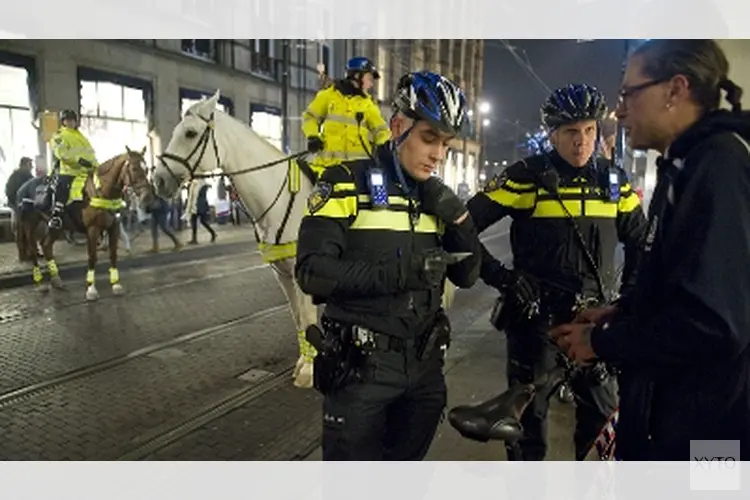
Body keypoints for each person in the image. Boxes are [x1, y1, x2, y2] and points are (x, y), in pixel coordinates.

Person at [551, 39, 750, 461]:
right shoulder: (683, 165)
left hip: (707, 439)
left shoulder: (719, 168)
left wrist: (603, 340)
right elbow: (683, 286)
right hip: (671, 419)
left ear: (675, 90)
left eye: (629, 94)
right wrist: (623, 312)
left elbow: (714, 324)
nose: (619, 111)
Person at [295, 70, 482, 461]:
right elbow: (311, 272)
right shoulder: (344, 182)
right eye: (429, 138)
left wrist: (460, 220)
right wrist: (401, 272)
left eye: (446, 143)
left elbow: (467, 275)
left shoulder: (434, 197)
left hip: (425, 370)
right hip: (362, 373)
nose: (438, 155)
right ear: (398, 127)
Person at [465, 83, 648, 461]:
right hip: (536, 325)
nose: (582, 142)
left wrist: (626, 303)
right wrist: (503, 277)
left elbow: (642, 244)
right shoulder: (526, 176)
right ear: (552, 134)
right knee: (525, 429)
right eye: (570, 132)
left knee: (601, 429)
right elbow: (461, 227)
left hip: (594, 326)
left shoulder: (614, 182)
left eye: (589, 130)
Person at [301, 56, 392, 179]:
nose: (371, 84)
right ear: (356, 76)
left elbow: (381, 130)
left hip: (357, 172)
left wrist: (383, 145)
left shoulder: (368, 105)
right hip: (328, 168)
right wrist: (312, 136)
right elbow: (310, 117)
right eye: (369, 78)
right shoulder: (328, 96)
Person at [48, 109, 98, 229]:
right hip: (69, 171)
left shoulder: (82, 137)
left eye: (72, 120)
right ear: (63, 122)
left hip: (86, 172)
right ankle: (57, 216)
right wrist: (78, 160)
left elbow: (91, 154)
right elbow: (62, 153)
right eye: (67, 120)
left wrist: (96, 166)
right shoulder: (59, 136)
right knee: (63, 188)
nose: (70, 122)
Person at [5, 157, 33, 234]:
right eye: (30, 164)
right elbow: (9, 191)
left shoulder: (16, 176)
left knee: (20, 227)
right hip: (18, 205)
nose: (31, 167)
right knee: (19, 226)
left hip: (20, 205)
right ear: (24, 165)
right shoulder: (22, 176)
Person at [186, 178, 216, 244]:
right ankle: (212, 233)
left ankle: (195, 239)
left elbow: (196, 195)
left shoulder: (199, 186)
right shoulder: (201, 185)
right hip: (200, 205)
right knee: (200, 222)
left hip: (198, 205)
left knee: (196, 222)